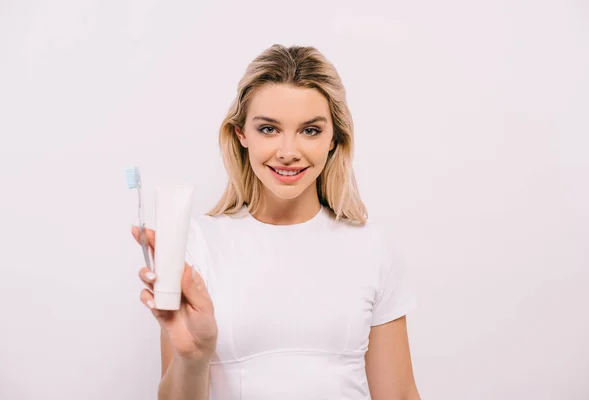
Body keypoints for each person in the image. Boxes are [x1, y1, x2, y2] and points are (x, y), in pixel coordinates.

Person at [132, 44, 421, 399]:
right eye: (268, 129)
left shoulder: (372, 248)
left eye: (310, 131)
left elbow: (399, 394)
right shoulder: (196, 247)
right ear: (241, 134)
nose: (288, 151)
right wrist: (193, 357)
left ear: (334, 138)